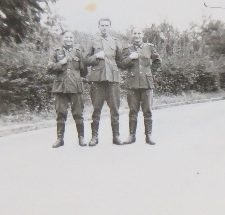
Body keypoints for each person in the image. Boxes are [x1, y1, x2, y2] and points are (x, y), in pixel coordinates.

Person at [84, 18, 128, 146]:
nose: (104, 27)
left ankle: (116, 137)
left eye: (106, 25)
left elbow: (121, 61)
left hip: (113, 80)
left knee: (114, 109)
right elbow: (86, 60)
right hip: (97, 81)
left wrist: (131, 61)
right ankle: (94, 137)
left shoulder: (115, 42)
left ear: (109, 27)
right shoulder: (92, 41)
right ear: (98, 26)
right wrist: (96, 56)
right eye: (102, 25)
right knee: (96, 109)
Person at [48, 30, 88, 148]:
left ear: (73, 39)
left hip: (75, 86)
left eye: (71, 37)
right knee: (60, 113)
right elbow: (49, 68)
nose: (68, 39)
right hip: (60, 87)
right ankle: (60, 139)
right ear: (62, 38)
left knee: (78, 113)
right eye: (66, 37)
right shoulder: (55, 52)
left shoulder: (78, 52)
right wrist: (61, 62)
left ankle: (81, 138)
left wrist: (75, 78)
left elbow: (84, 71)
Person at [121, 29, 162, 145]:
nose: (137, 35)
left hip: (146, 84)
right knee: (133, 110)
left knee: (147, 110)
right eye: (135, 33)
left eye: (139, 33)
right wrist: (130, 58)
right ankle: (131, 136)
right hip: (132, 84)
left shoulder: (149, 47)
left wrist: (149, 73)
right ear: (132, 35)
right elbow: (122, 64)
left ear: (142, 35)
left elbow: (158, 61)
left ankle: (148, 136)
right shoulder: (127, 49)